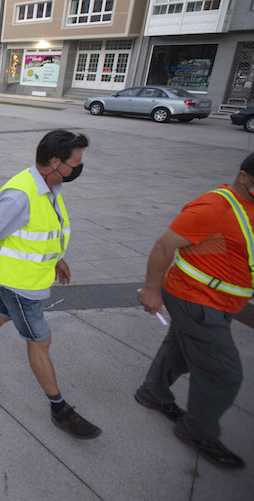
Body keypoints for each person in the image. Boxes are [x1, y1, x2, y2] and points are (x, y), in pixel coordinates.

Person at [0, 130, 100, 439]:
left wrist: (56, 258)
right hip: (19, 284)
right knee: (40, 341)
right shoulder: (20, 196)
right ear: (56, 162)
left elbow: (40, 232)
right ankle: (60, 409)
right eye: (75, 162)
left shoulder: (48, 185)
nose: (78, 168)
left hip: (25, 277)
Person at [134, 153, 254, 469]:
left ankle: (153, 392)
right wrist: (150, 290)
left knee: (181, 350)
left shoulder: (246, 207)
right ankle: (197, 431)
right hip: (197, 301)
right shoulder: (212, 208)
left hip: (221, 301)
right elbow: (164, 246)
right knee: (224, 373)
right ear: (243, 176)